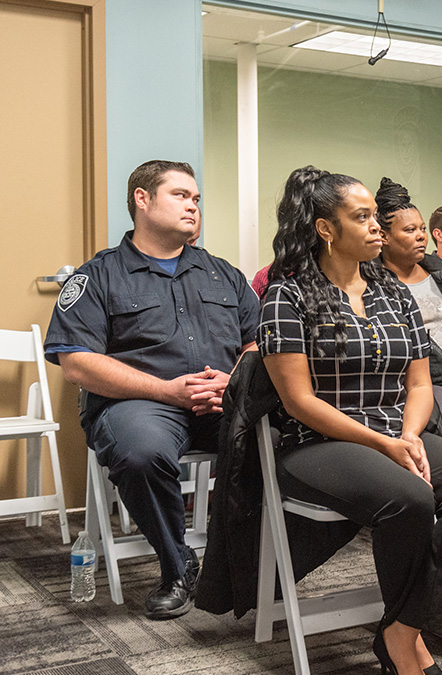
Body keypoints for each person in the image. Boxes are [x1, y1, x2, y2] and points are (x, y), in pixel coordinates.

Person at [258, 166, 442, 675]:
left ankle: (402, 629)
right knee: (411, 497)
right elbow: (299, 401)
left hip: (395, 431)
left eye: (376, 217)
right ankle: (405, 640)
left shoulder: (391, 290)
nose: (377, 228)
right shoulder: (288, 294)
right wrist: (382, 443)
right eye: (362, 217)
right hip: (316, 441)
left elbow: (418, 384)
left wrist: (409, 435)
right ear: (326, 228)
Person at [43, 160, 259, 618]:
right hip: (141, 405)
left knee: (283, 439)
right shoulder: (98, 275)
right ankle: (177, 564)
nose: (193, 206)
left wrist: (234, 381)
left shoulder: (224, 274)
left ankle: (253, 561)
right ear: (142, 200)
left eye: (197, 199)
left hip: (222, 401)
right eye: (181, 195)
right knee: (140, 452)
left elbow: (257, 343)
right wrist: (167, 391)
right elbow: (77, 362)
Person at [376, 179, 442, 434]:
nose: (420, 236)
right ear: (385, 237)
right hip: (420, 386)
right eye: (409, 230)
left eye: (422, 228)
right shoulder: (374, 285)